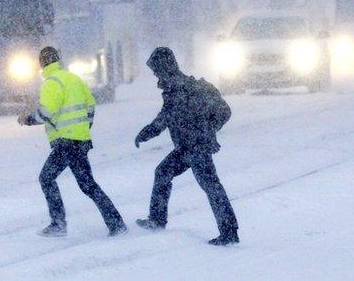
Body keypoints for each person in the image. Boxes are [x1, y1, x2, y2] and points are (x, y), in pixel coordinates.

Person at [134, 46, 239, 245]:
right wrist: (145, 133)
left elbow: (224, 111)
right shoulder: (175, 88)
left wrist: (208, 132)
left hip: (197, 147)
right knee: (163, 172)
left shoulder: (182, 89)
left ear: (164, 67)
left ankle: (229, 232)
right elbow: (164, 118)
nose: (155, 74)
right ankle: (156, 220)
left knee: (211, 186)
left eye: (156, 69)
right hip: (185, 147)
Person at [18, 46, 127, 237]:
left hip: (66, 143)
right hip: (80, 141)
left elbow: (45, 114)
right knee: (88, 185)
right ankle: (116, 223)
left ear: (42, 63)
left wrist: (26, 120)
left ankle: (58, 224)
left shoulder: (51, 83)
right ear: (58, 59)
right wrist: (85, 128)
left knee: (46, 178)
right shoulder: (74, 79)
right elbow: (90, 105)